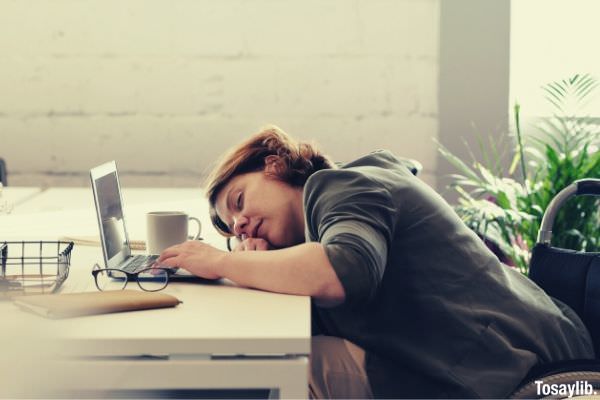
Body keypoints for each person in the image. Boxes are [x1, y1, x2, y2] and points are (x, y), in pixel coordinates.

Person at [157, 126, 594, 398]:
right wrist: (258, 270)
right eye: (230, 226)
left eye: (238, 201)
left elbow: (345, 271)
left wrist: (223, 263)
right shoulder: (325, 217)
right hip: (493, 356)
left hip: (517, 369)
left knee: (283, 367)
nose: (240, 224)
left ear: (274, 166)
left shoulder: (341, 186)